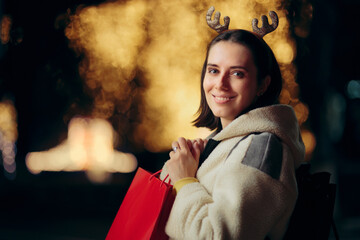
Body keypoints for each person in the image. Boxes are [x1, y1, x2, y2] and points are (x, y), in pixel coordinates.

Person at [160, 8, 305, 240]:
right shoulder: (219, 143)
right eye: (214, 70)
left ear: (262, 85)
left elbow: (216, 236)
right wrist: (181, 166)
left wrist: (186, 180)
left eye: (237, 74)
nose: (220, 84)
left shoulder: (262, 149)